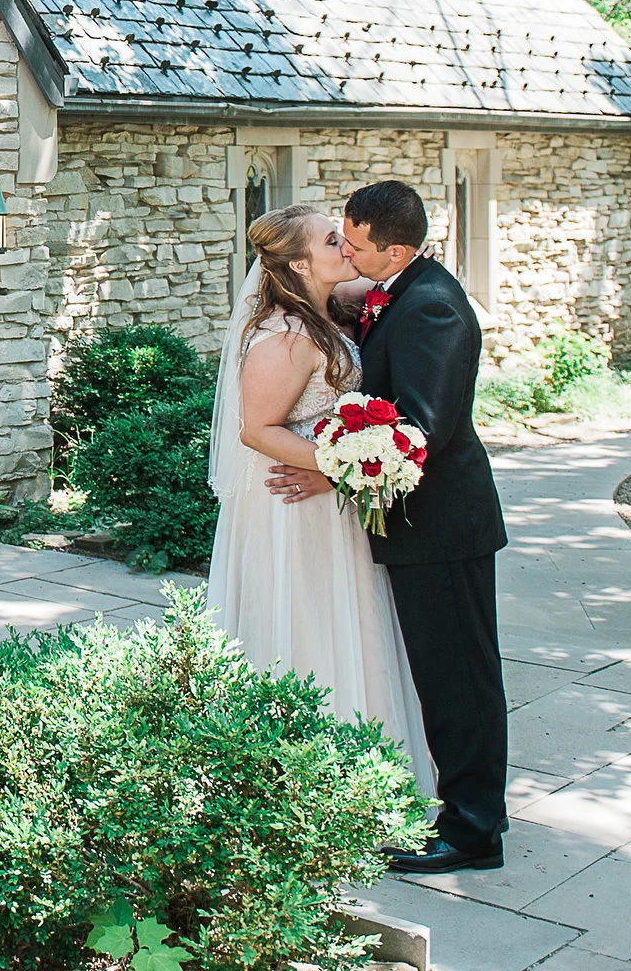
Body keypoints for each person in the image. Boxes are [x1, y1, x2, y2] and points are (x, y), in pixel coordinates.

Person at [270, 179, 509, 875]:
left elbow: (418, 433)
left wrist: (330, 473)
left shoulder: (430, 307)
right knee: (445, 674)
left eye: (355, 244)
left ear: (396, 250)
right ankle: (471, 811)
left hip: (442, 527)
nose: (345, 251)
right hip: (423, 526)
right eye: (340, 238)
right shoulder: (398, 288)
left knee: (459, 679)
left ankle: (472, 833)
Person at [206, 204, 436, 800]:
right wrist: (348, 466)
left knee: (347, 622)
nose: (347, 246)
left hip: (325, 500)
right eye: (334, 240)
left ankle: (363, 777)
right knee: (306, 622)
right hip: (291, 506)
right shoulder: (284, 336)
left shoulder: (327, 309)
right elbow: (257, 430)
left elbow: (390, 279)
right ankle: (306, 783)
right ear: (302, 264)